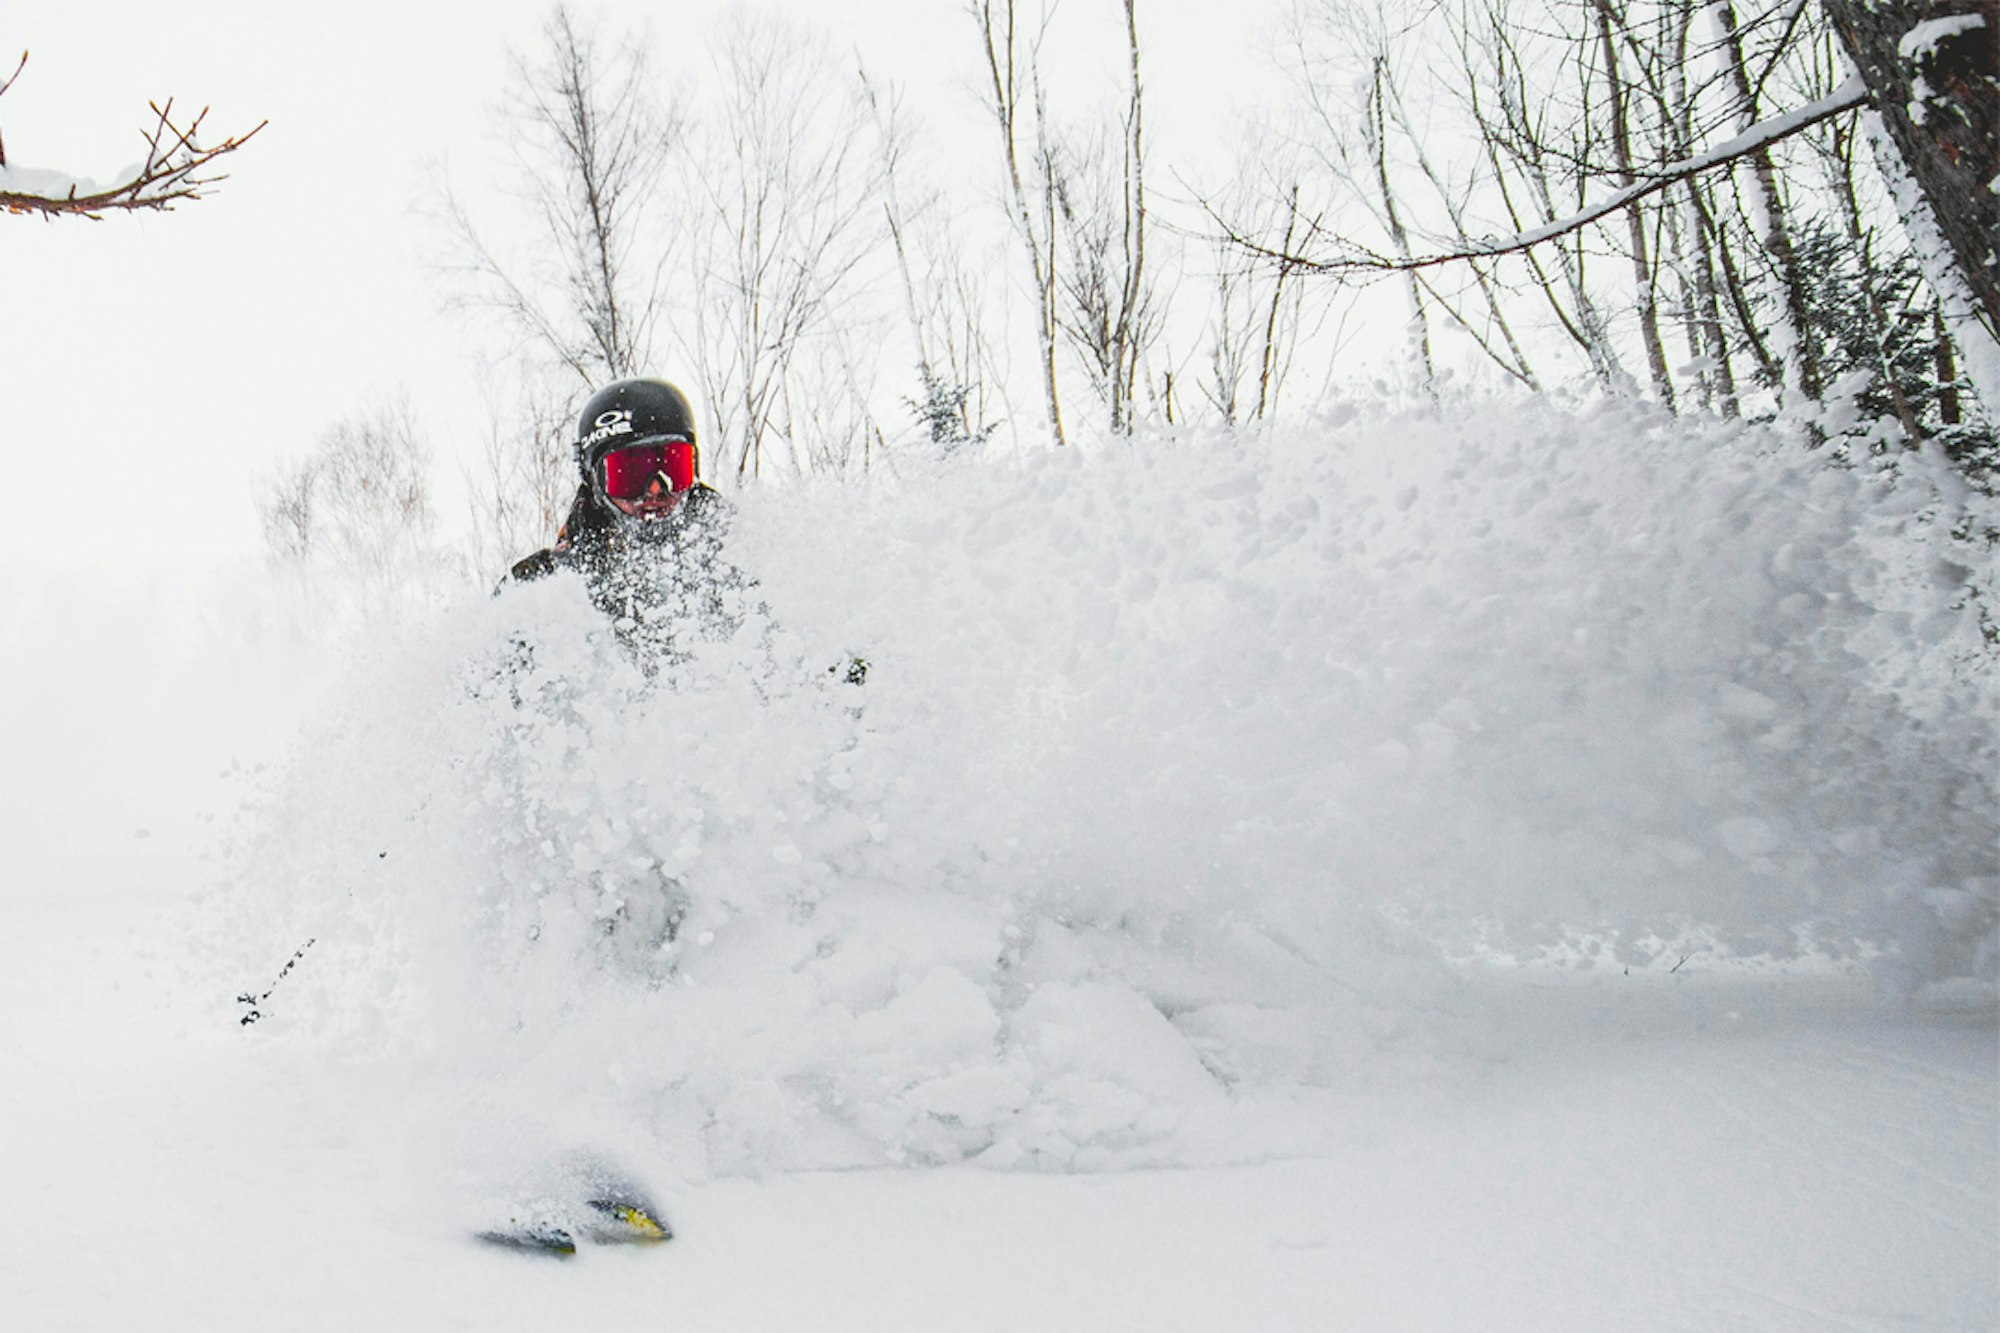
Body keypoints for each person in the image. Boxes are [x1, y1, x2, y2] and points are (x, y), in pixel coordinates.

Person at [507, 377, 747, 664]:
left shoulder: (743, 555)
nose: (656, 488)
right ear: (595, 480)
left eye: (672, 467)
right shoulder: (545, 588)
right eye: (630, 473)